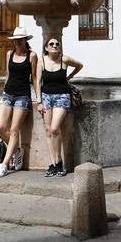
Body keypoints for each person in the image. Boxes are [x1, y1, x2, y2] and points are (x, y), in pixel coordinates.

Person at [0, 25, 40, 178]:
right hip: (8, 94)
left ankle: (4, 165)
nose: (17, 43)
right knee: (0, 127)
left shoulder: (32, 56)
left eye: (20, 40)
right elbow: (8, 75)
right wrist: (2, 93)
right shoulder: (9, 54)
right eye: (15, 40)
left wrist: (38, 98)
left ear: (25, 40)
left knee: (14, 130)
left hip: (22, 96)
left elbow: (34, 78)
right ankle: (18, 151)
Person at [37, 36, 83, 177]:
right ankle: (53, 164)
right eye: (51, 44)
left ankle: (59, 160)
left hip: (62, 96)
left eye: (57, 44)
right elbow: (37, 82)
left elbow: (80, 65)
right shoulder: (41, 61)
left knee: (55, 128)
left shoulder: (64, 60)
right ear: (46, 47)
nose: (55, 45)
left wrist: (69, 77)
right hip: (46, 97)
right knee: (48, 131)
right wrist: (38, 101)